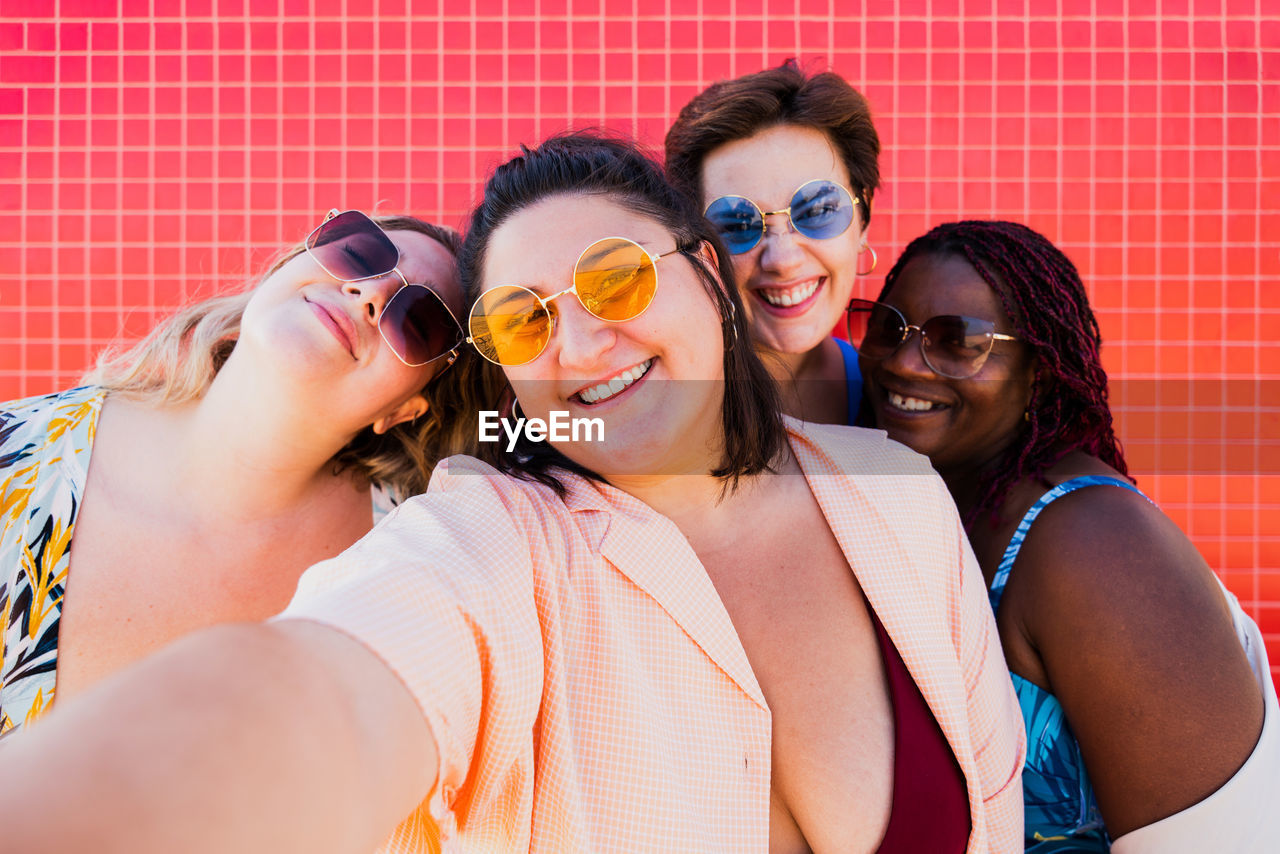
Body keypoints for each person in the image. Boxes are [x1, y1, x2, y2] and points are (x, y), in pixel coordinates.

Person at [0, 135, 1024, 853]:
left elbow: (994, 805)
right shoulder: (486, 542)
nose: (579, 342)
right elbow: (324, 691)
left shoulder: (895, 492)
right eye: (524, 320)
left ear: (710, 277)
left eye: (615, 278)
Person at [851, 219, 1278, 851]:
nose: (903, 363)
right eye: (890, 326)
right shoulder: (935, 503)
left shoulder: (1094, 546)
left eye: (957, 340)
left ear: (1040, 372)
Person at [0, 210, 477, 736]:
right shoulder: (16, 454)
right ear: (292, 265)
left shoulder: (404, 565)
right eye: (359, 253)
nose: (370, 291)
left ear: (405, 408)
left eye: (419, 320)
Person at [665, 59, 880, 425]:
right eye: (737, 223)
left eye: (816, 211)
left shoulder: (895, 398)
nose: (783, 260)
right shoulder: (662, 408)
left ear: (863, 220)